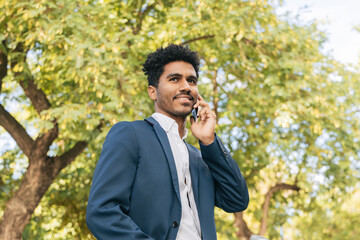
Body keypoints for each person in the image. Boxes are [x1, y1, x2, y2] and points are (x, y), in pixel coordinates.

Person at [86, 44, 249, 240]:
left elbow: (237, 200)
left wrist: (208, 141)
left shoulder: (199, 157)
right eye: (174, 79)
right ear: (152, 92)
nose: (186, 87)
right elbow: (102, 212)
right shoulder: (131, 134)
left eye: (192, 81)